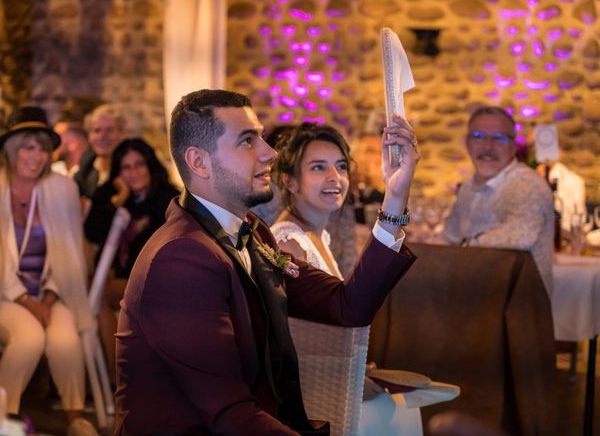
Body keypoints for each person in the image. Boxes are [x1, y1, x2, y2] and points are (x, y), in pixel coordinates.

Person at [115, 89, 420, 435]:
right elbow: (230, 416)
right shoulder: (180, 259)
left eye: (260, 136)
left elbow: (347, 306)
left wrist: (395, 197)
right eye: (247, 141)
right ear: (199, 162)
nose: (270, 152)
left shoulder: (252, 232)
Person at [271, 123, 422, 435]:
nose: (334, 177)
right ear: (290, 181)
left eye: (340, 167)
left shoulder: (316, 237)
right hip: (312, 408)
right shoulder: (288, 244)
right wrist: (346, 374)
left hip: (332, 388)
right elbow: (296, 342)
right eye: (317, 167)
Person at [0, 106, 97, 434]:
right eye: (29, 147)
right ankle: (4, 419)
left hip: (47, 291)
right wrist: (25, 301)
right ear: (12, 150)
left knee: (65, 337)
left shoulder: (62, 188)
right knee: (28, 337)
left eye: (43, 148)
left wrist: (47, 296)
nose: (37, 156)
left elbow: (70, 253)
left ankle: (76, 419)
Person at [84, 138, 178, 380]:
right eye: (126, 167)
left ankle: (121, 378)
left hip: (157, 281)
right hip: (119, 279)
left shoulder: (167, 198)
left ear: (150, 165)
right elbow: (92, 231)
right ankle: (119, 377)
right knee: (93, 300)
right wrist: (120, 199)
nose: (134, 172)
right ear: (118, 171)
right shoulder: (109, 193)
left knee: (97, 297)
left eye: (139, 164)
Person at [442, 106, 554, 295]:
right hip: (472, 303)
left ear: (513, 146)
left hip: (518, 310)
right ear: (467, 143)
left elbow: (522, 234)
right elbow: (449, 237)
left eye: (499, 138)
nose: (487, 147)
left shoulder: (526, 183)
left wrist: (466, 247)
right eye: (478, 136)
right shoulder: (468, 187)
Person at [75, 103, 126, 200]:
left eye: (109, 130)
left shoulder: (131, 169)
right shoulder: (86, 167)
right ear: (89, 136)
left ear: (122, 134)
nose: (102, 137)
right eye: (97, 130)